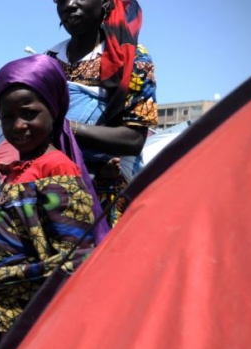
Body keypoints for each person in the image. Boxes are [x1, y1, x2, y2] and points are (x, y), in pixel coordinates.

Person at [0, 55, 107, 349]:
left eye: (29, 114)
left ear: (54, 111)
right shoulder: (17, 170)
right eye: (7, 117)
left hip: (36, 320)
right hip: (10, 317)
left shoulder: (56, 169)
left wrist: (5, 277)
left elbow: (75, 259)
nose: (18, 125)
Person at [46, 0, 158, 226]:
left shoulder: (132, 58)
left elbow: (134, 139)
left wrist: (69, 128)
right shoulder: (50, 60)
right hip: (56, 190)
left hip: (107, 197)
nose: (69, 5)